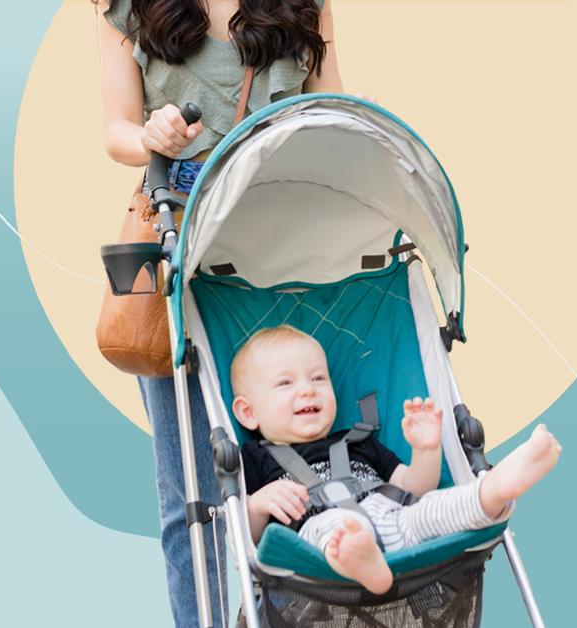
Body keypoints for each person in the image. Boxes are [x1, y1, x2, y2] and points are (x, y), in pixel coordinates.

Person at [92, 1, 372, 625]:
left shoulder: (307, 5)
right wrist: (148, 137)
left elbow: (333, 114)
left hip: (288, 244)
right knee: (188, 492)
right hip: (180, 240)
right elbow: (117, 128)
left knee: (323, 455)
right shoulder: (126, 9)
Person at [230, 325, 563, 594]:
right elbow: (250, 537)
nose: (307, 390)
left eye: (318, 378)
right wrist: (257, 505)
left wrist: (426, 449)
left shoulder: (358, 441)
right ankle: (362, 557)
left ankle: (493, 490)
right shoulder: (255, 458)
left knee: (436, 509)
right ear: (248, 412)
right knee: (340, 530)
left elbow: (414, 487)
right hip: (317, 538)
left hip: (394, 517)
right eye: (285, 383)